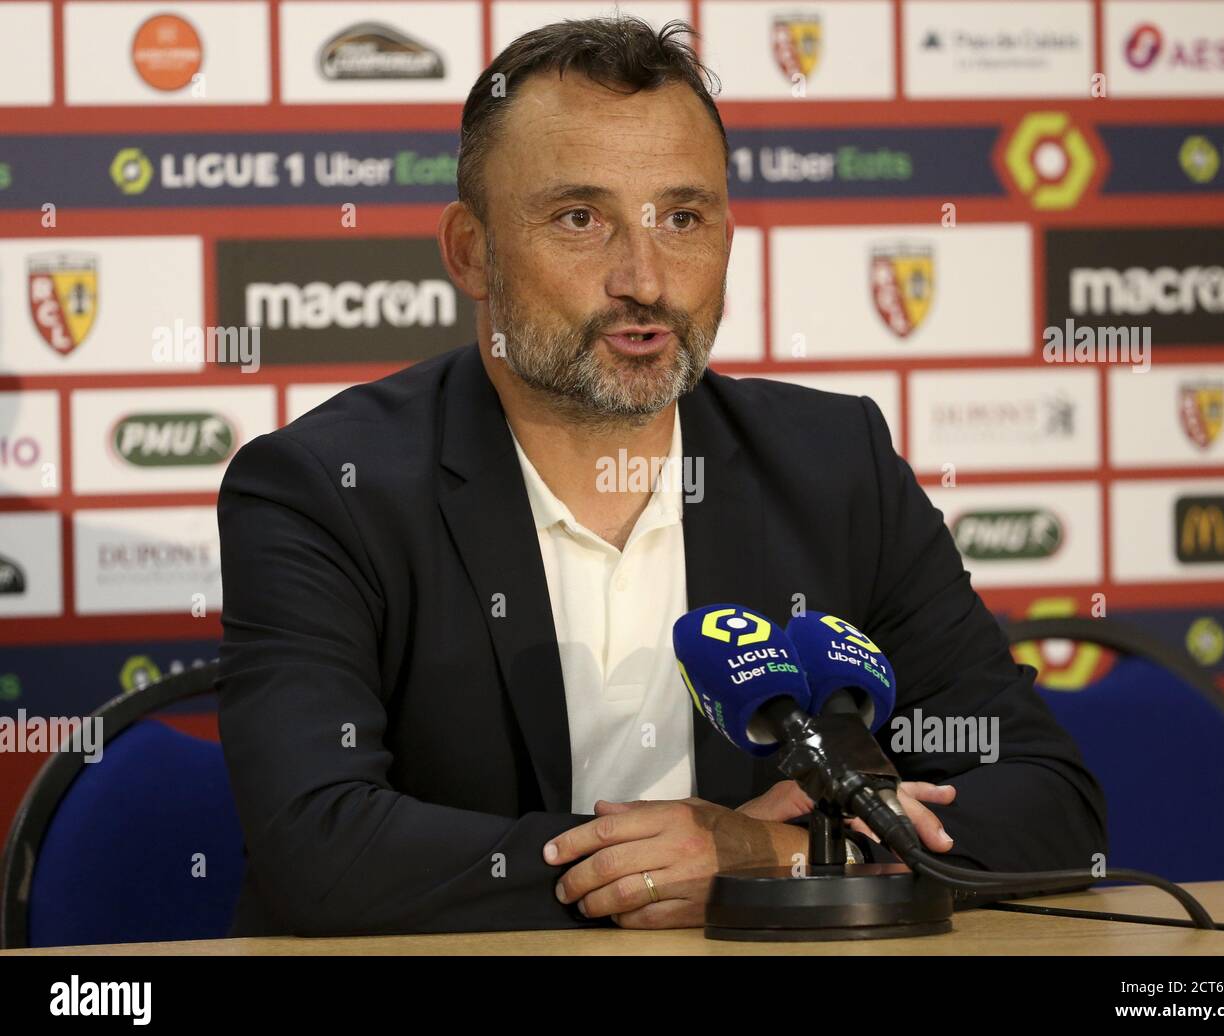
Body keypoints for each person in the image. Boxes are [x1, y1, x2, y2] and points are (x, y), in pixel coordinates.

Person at [215, 16, 1105, 936]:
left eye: (683, 218)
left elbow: (1048, 802)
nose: (644, 278)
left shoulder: (837, 466)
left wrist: (766, 857)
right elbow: (315, 849)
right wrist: (660, 868)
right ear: (470, 252)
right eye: (579, 218)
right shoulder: (326, 488)